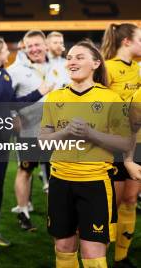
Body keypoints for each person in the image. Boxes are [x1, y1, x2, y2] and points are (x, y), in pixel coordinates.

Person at [39, 41, 133, 268]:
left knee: (92, 253)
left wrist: (91, 134)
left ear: (95, 63)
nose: (72, 61)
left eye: (80, 57)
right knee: (63, 248)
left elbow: (126, 142)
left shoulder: (111, 99)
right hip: (60, 182)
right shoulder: (54, 97)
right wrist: (65, 132)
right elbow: (42, 141)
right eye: (70, 57)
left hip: (95, 184)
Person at [0, 37, 50, 247]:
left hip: (2, 140)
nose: (9, 52)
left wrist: (39, 93)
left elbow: (13, 103)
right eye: (5, 49)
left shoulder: (4, 75)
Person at [7, 30, 62, 231]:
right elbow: (7, 100)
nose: (34, 49)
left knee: (57, 173)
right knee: (25, 170)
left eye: (37, 45)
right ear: (25, 47)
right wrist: (13, 117)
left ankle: (56, 215)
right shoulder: (15, 70)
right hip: (29, 131)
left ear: (46, 45)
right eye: (30, 46)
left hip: (57, 132)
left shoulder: (60, 66)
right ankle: (23, 212)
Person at [100, 23, 141, 268]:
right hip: (114, 145)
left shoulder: (137, 69)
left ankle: (121, 258)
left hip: (137, 143)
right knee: (110, 204)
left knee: (130, 199)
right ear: (126, 41)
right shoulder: (107, 68)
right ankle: (99, 257)